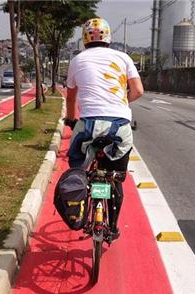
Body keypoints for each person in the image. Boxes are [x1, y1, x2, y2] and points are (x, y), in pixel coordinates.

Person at [63, 17, 144, 242]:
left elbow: (70, 96)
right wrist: (120, 106)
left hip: (88, 126)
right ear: (108, 37)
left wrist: (71, 119)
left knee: (77, 170)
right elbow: (138, 90)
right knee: (115, 179)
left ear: (84, 38)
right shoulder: (124, 57)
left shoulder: (77, 60)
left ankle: (80, 205)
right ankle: (113, 227)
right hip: (119, 128)